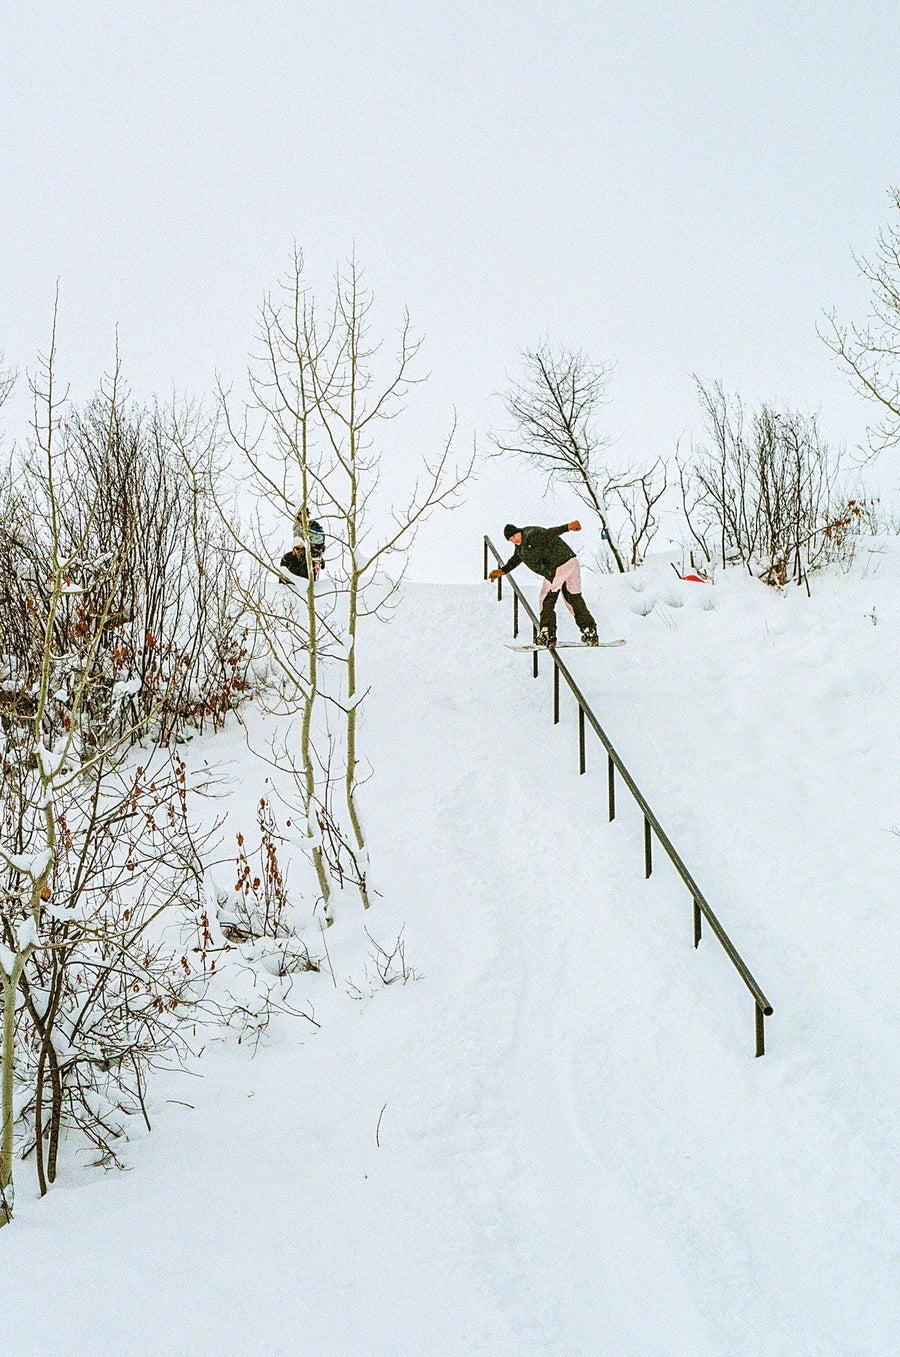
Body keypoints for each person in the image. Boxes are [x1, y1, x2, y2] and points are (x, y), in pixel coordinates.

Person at [488, 521, 599, 647]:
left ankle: (547, 632)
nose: (513, 540)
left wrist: (567, 527)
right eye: (510, 539)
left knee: (545, 597)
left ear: (519, 531)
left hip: (558, 565)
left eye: (514, 536)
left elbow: (549, 534)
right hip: (570, 562)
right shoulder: (520, 548)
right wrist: (502, 571)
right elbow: (515, 560)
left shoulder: (532, 535)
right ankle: (589, 630)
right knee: (572, 598)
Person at [280, 510, 326, 582]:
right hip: (293, 587)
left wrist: (318, 558)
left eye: (307, 514)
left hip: (309, 555)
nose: (306, 516)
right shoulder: (287, 558)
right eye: (303, 514)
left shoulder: (312, 525)